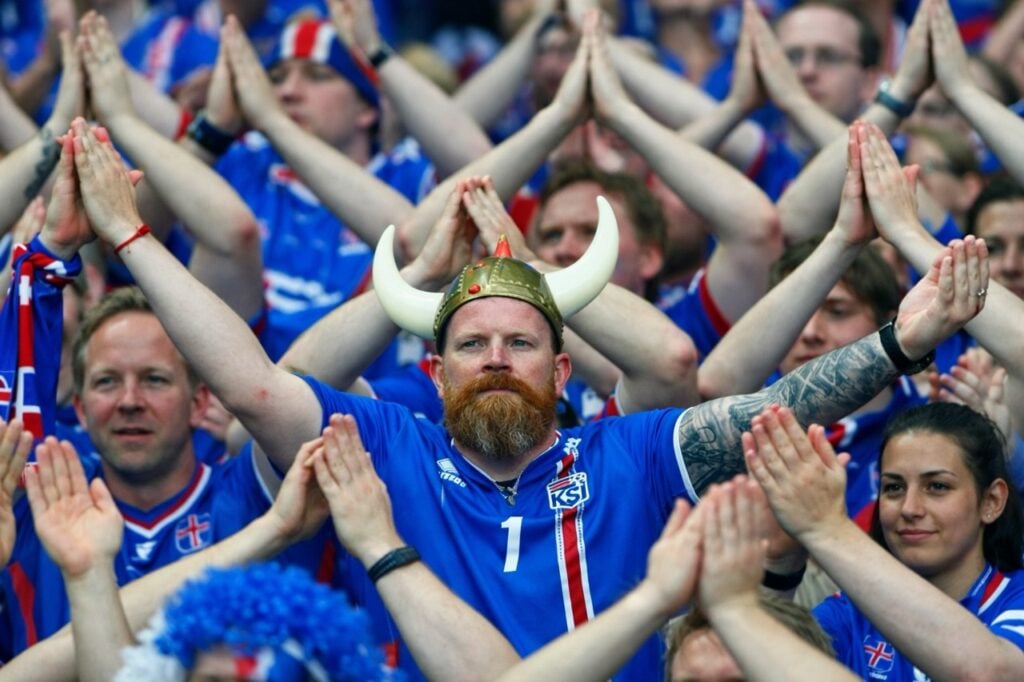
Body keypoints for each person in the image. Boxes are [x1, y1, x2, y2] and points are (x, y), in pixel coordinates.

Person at [71, 78, 985, 679]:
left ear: (561, 369)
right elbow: (256, 387)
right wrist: (131, 237)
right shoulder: (389, 444)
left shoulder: (625, 452)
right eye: (472, 345)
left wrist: (896, 347)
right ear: (432, 372)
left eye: (522, 341)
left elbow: (761, 407)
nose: (497, 358)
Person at [0, 126, 338, 656]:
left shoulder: (246, 493)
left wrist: (127, 233)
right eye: (108, 381)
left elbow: (281, 378)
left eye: (154, 379)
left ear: (202, 401)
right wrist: (50, 254)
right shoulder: (42, 502)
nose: (130, 400)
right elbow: (16, 406)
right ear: (80, 410)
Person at [745, 402, 1024, 680]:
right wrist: (780, 562)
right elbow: (752, 669)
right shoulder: (849, 615)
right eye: (893, 488)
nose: (909, 508)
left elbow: (990, 673)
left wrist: (827, 526)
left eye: (937, 486)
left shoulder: (1017, 596)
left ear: (992, 501)